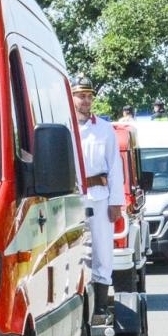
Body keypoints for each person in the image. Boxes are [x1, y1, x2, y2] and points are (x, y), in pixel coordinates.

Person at [71, 80, 125, 320]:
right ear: (71, 98)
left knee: (103, 251)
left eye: (89, 96)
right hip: (72, 197)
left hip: (100, 196)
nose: (86, 100)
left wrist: (116, 203)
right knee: (74, 251)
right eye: (81, 95)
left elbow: (115, 167)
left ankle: (101, 305)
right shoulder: (64, 126)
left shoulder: (104, 128)